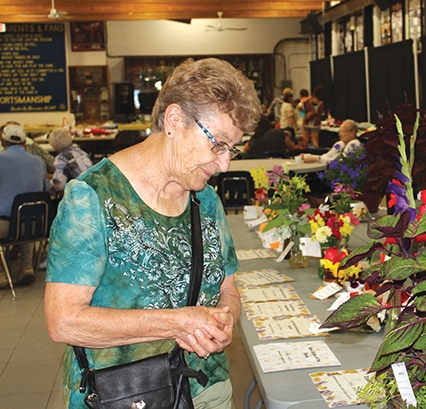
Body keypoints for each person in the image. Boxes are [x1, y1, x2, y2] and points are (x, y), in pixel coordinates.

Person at [44, 58, 261, 409]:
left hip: (209, 387)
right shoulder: (92, 198)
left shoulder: (205, 200)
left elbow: (228, 289)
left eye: (231, 148)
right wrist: (178, 323)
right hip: (123, 392)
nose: (224, 164)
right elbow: (64, 322)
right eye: (218, 144)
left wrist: (225, 319)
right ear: (174, 121)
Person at [0, 124, 48, 288]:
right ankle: (26, 265)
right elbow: (45, 189)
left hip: (7, 227)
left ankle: (2, 274)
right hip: (36, 227)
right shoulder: (38, 162)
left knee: (10, 218)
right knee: (24, 215)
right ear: (24, 143)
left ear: (2, 141)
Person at [47, 127, 93, 193]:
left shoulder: (61, 159)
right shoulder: (81, 152)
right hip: (93, 190)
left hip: (80, 195)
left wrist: (44, 184)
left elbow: (58, 185)